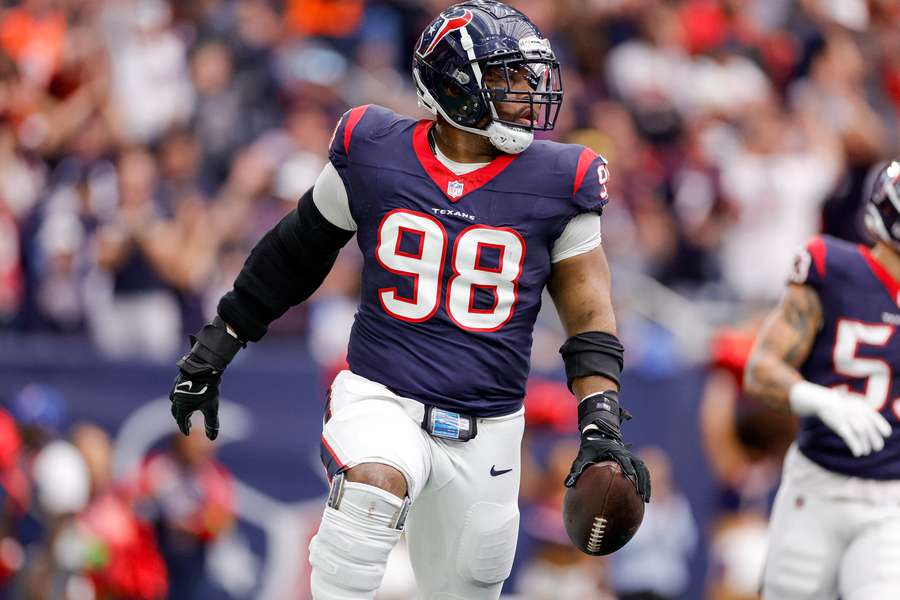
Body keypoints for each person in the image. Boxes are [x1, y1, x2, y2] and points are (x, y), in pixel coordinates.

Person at [168, 2, 650, 598]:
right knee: (371, 488)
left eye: (527, 77)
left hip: (490, 427)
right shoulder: (374, 151)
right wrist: (218, 341)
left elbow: (588, 311)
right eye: (506, 77)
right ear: (455, 85)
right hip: (382, 396)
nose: (527, 92)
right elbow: (294, 253)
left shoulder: (561, 178)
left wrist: (600, 420)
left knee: (467, 586)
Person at [744, 159, 900, 599]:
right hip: (816, 487)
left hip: (892, 501)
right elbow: (760, 371)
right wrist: (821, 400)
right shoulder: (835, 269)